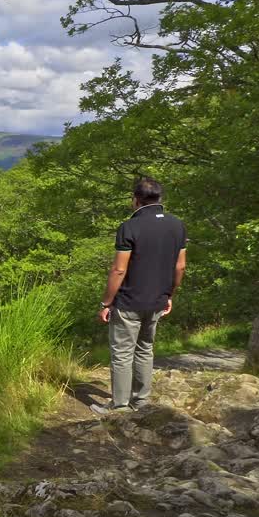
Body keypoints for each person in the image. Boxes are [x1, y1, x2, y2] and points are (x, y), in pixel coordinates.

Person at [92, 177, 187, 414]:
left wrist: (106, 302)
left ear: (135, 200)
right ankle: (141, 402)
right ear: (160, 198)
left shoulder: (129, 227)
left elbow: (119, 269)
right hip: (157, 300)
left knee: (123, 353)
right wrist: (170, 294)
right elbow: (180, 267)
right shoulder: (177, 225)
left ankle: (120, 405)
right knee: (145, 349)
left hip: (129, 301)